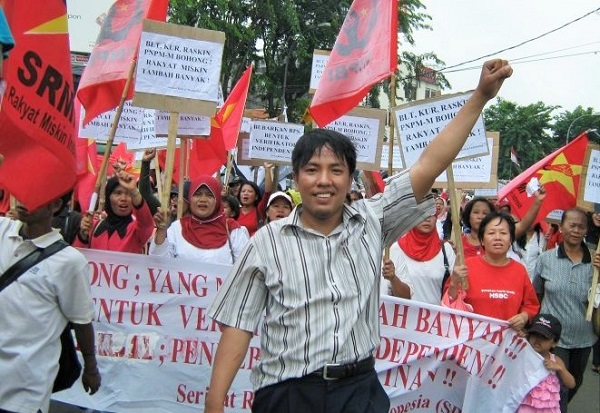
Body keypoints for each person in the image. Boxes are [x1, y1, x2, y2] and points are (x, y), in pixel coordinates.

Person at [205, 59, 513, 413]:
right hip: (287, 395)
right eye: (312, 170)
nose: (324, 180)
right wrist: (214, 404)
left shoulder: (373, 219)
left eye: (336, 170)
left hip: (358, 393)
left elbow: (430, 163)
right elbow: (238, 326)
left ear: (351, 178)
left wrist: (480, 97)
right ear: (297, 178)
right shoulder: (266, 242)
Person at [0, 193, 101, 413]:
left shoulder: (70, 262)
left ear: (55, 204)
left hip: (25, 391)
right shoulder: (3, 230)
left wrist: (90, 367)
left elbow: (82, 321)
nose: (25, 197)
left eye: (38, 192)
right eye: (25, 189)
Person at [532, 208, 600, 411]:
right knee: (558, 387)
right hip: (553, 340)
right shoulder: (546, 259)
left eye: (581, 226)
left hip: (584, 338)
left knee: (574, 383)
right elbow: (537, 293)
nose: (576, 230)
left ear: (587, 230)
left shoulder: (595, 261)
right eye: (572, 225)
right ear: (561, 228)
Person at [445, 211, 540, 331]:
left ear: (511, 239)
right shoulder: (466, 266)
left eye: (503, 233)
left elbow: (531, 305)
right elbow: (448, 303)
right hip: (471, 342)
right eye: (491, 233)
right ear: (482, 240)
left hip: (506, 343)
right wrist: (454, 283)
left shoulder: (519, 270)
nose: (498, 237)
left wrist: (524, 316)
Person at [149, 176, 249, 264]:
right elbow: (159, 265)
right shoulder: (177, 228)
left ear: (217, 200)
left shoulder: (233, 230)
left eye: (209, 195)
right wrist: (161, 231)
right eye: (197, 194)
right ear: (190, 199)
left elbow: (244, 270)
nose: (203, 199)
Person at [74, 171, 154, 253]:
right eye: (118, 193)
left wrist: (134, 191)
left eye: (129, 194)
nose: (123, 198)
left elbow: (146, 223)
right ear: (108, 197)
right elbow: (79, 257)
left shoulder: (136, 231)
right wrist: (83, 234)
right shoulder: (93, 226)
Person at [383, 214, 456, 304]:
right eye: (422, 213)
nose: (427, 218)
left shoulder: (446, 249)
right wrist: (393, 278)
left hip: (434, 316)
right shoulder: (395, 248)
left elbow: (455, 288)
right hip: (402, 316)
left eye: (432, 214)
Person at [460, 190, 546, 259]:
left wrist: (537, 202)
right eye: (476, 212)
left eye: (485, 213)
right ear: (468, 216)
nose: (480, 216)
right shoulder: (458, 242)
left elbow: (523, 225)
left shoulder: (499, 238)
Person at [517, 314, 575, 413]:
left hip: (546, 409)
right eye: (535, 335)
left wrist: (560, 369)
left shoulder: (555, 360)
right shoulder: (522, 352)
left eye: (544, 337)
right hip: (522, 406)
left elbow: (571, 384)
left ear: (554, 343)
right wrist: (517, 339)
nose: (538, 340)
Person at [236, 164, 276, 236]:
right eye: (243, 191)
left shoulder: (259, 210)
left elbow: (267, 192)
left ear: (256, 197)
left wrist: (267, 169)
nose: (246, 193)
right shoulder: (235, 211)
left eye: (250, 191)